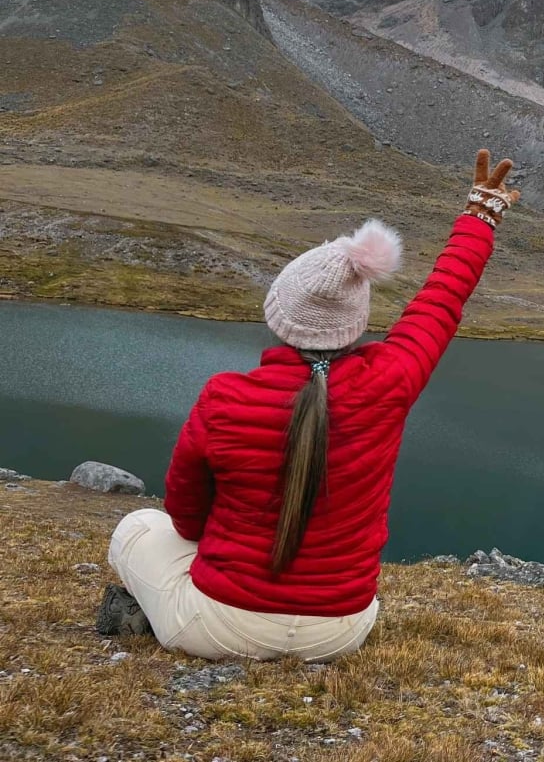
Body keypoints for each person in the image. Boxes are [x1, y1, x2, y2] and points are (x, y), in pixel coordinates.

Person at [96, 151, 520, 662]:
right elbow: (442, 298)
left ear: (278, 315)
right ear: (357, 321)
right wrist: (480, 215)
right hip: (341, 630)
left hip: (222, 625)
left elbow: (186, 519)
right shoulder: (389, 381)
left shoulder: (225, 397)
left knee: (137, 528)